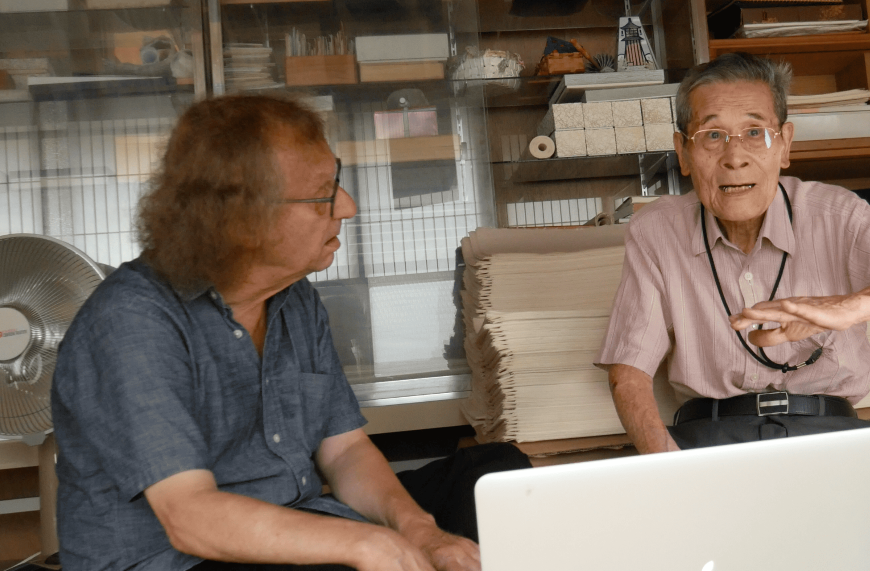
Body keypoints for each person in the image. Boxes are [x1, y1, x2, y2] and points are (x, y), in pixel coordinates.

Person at [50, 94, 528, 571]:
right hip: (183, 557)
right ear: (242, 221)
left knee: (495, 477)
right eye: (323, 193)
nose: (347, 205)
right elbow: (189, 517)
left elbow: (344, 451)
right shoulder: (131, 321)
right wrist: (361, 544)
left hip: (297, 520)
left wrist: (420, 533)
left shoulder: (294, 299)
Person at [595, 52, 870, 569]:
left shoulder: (835, 212)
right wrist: (668, 473)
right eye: (713, 136)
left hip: (833, 438)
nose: (735, 157)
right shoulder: (655, 230)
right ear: (684, 152)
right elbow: (628, 371)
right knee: (603, 532)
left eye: (755, 133)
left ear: (785, 144)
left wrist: (848, 307)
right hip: (710, 441)